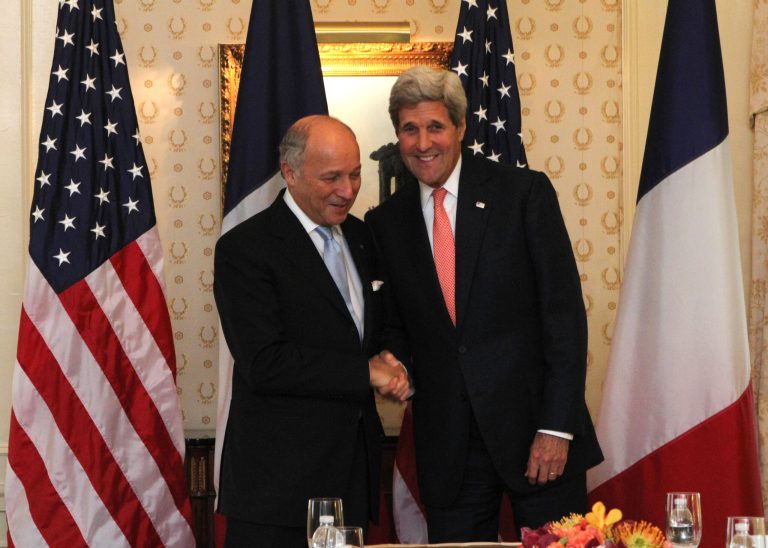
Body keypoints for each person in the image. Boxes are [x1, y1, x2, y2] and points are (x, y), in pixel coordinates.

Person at [365, 67, 603, 542]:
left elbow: (564, 318)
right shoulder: (385, 222)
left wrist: (556, 428)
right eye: (409, 129)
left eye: (435, 126)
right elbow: (396, 324)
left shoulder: (522, 194)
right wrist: (395, 363)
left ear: (460, 127)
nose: (423, 142)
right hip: (449, 448)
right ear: (397, 136)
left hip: (537, 435)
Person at [214, 115, 410, 548]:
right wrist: (366, 373)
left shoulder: (361, 237)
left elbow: (380, 328)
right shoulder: (246, 248)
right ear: (290, 172)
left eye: (355, 173)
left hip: (352, 481)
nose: (348, 190)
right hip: (276, 492)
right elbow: (264, 362)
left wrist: (392, 360)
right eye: (332, 177)